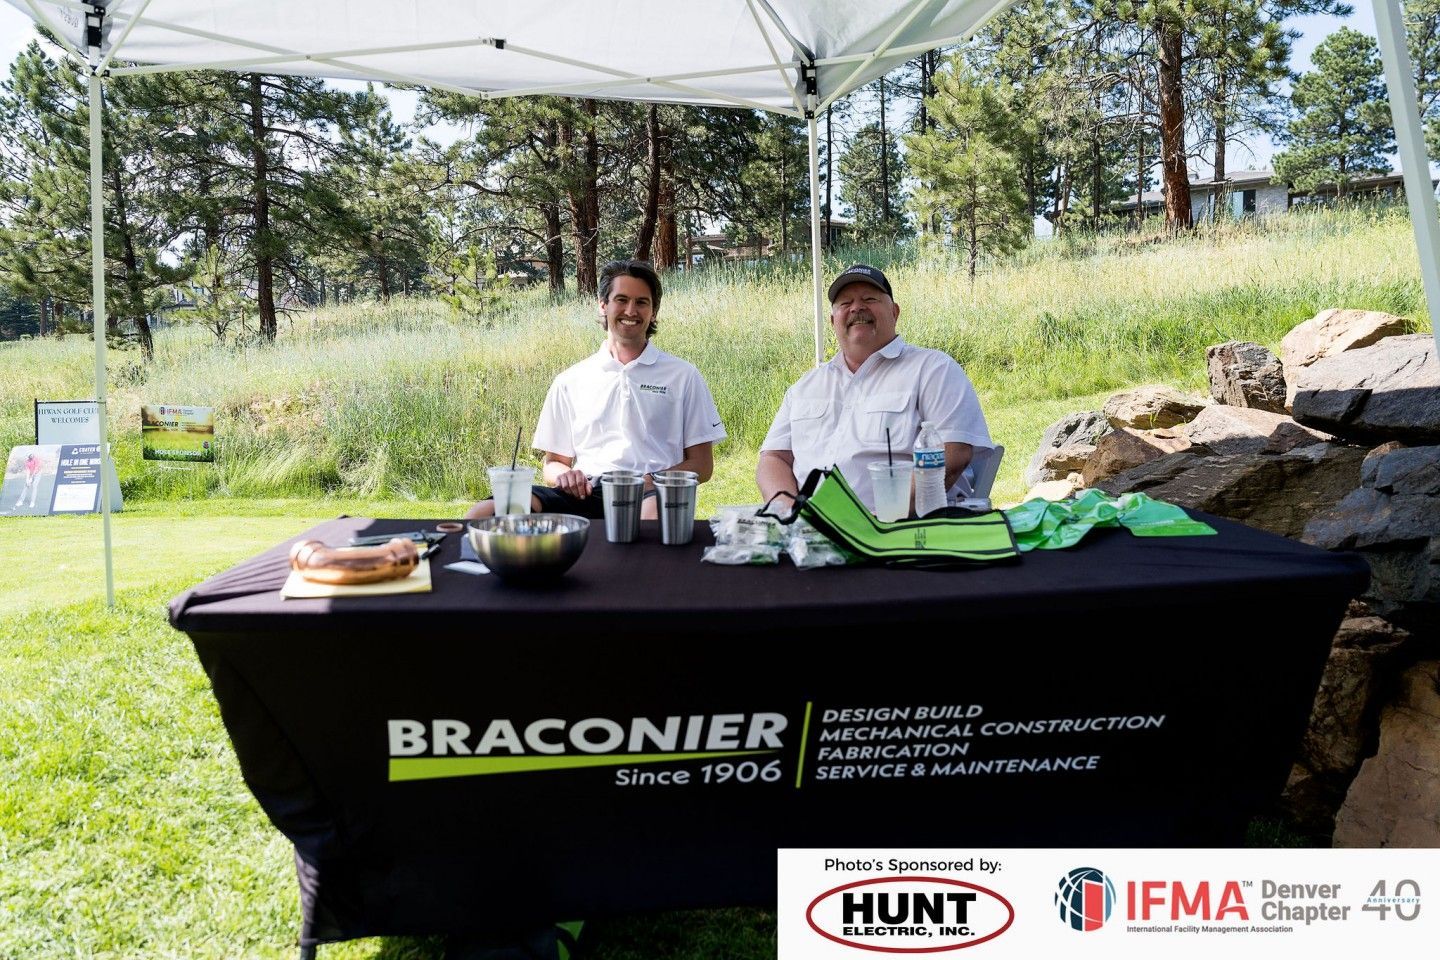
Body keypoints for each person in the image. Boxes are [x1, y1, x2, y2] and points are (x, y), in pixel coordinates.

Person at [466, 260, 725, 521]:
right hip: (586, 492)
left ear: (654, 311)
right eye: (621, 300)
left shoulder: (683, 375)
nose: (631, 310)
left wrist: (654, 480)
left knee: (651, 518)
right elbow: (553, 464)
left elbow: (702, 466)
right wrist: (566, 476)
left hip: (651, 492)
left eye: (642, 302)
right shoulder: (571, 380)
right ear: (603, 305)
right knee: (485, 511)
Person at [757, 264, 992, 515]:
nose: (857, 307)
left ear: (894, 312)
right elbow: (773, 459)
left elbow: (953, 454)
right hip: (812, 537)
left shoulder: (933, 369)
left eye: (869, 299)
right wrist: (789, 513)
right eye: (845, 303)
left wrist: (879, 520)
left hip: (902, 530)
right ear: (833, 320)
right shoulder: (805, 386)